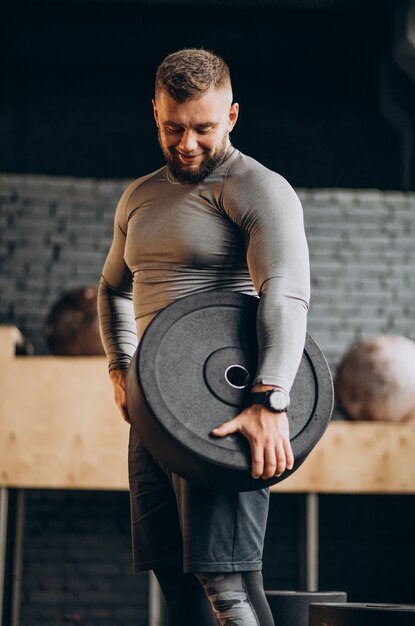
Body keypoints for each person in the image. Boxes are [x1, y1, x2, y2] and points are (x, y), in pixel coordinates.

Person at [98, 48, 310, 626]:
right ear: (155, 113)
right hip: (154, 410)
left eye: (203, 129)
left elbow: (286, 293)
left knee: (228, 581)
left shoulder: (257, 188)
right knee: (178, 579)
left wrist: (271, 398)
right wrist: (120, 369)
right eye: (173, 128)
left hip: (221, 407)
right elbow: (112, 289)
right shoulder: (139, 196)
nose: (187, 144)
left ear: (233, 117)